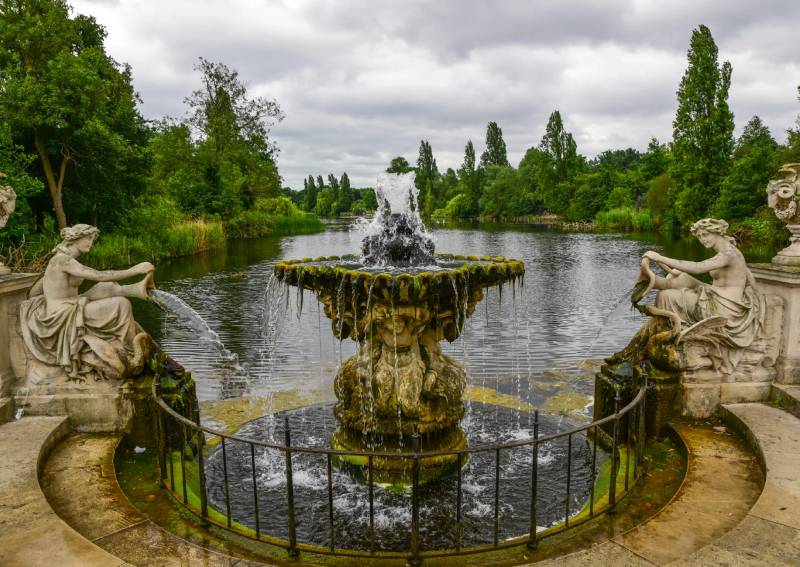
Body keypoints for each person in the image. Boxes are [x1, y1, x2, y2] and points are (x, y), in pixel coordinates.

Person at [20, 224, 154, 380]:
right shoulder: (62, 260)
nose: (91, 242)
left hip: (71, 305)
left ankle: (135, 289)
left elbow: (35, 291)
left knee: (106, 287)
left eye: (92, 239)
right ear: (77, 238)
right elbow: (99, 275)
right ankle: (130, 351)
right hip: (63, 314)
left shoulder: (59, 261)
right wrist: (134, 270)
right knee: (121, 305)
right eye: (88, 238)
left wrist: (52, 296)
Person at [638, 218, 764, 371]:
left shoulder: (729, 254)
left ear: (718, 232)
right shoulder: (726, 252)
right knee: (682, 277)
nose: (702, 239)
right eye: (699, 236)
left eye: (705, 234)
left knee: (666, 296)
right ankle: (653, 281)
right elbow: (750, 280)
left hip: (726, 308)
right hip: (718, 297)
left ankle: (678, 339)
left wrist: (659, 257)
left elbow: (698, 268)